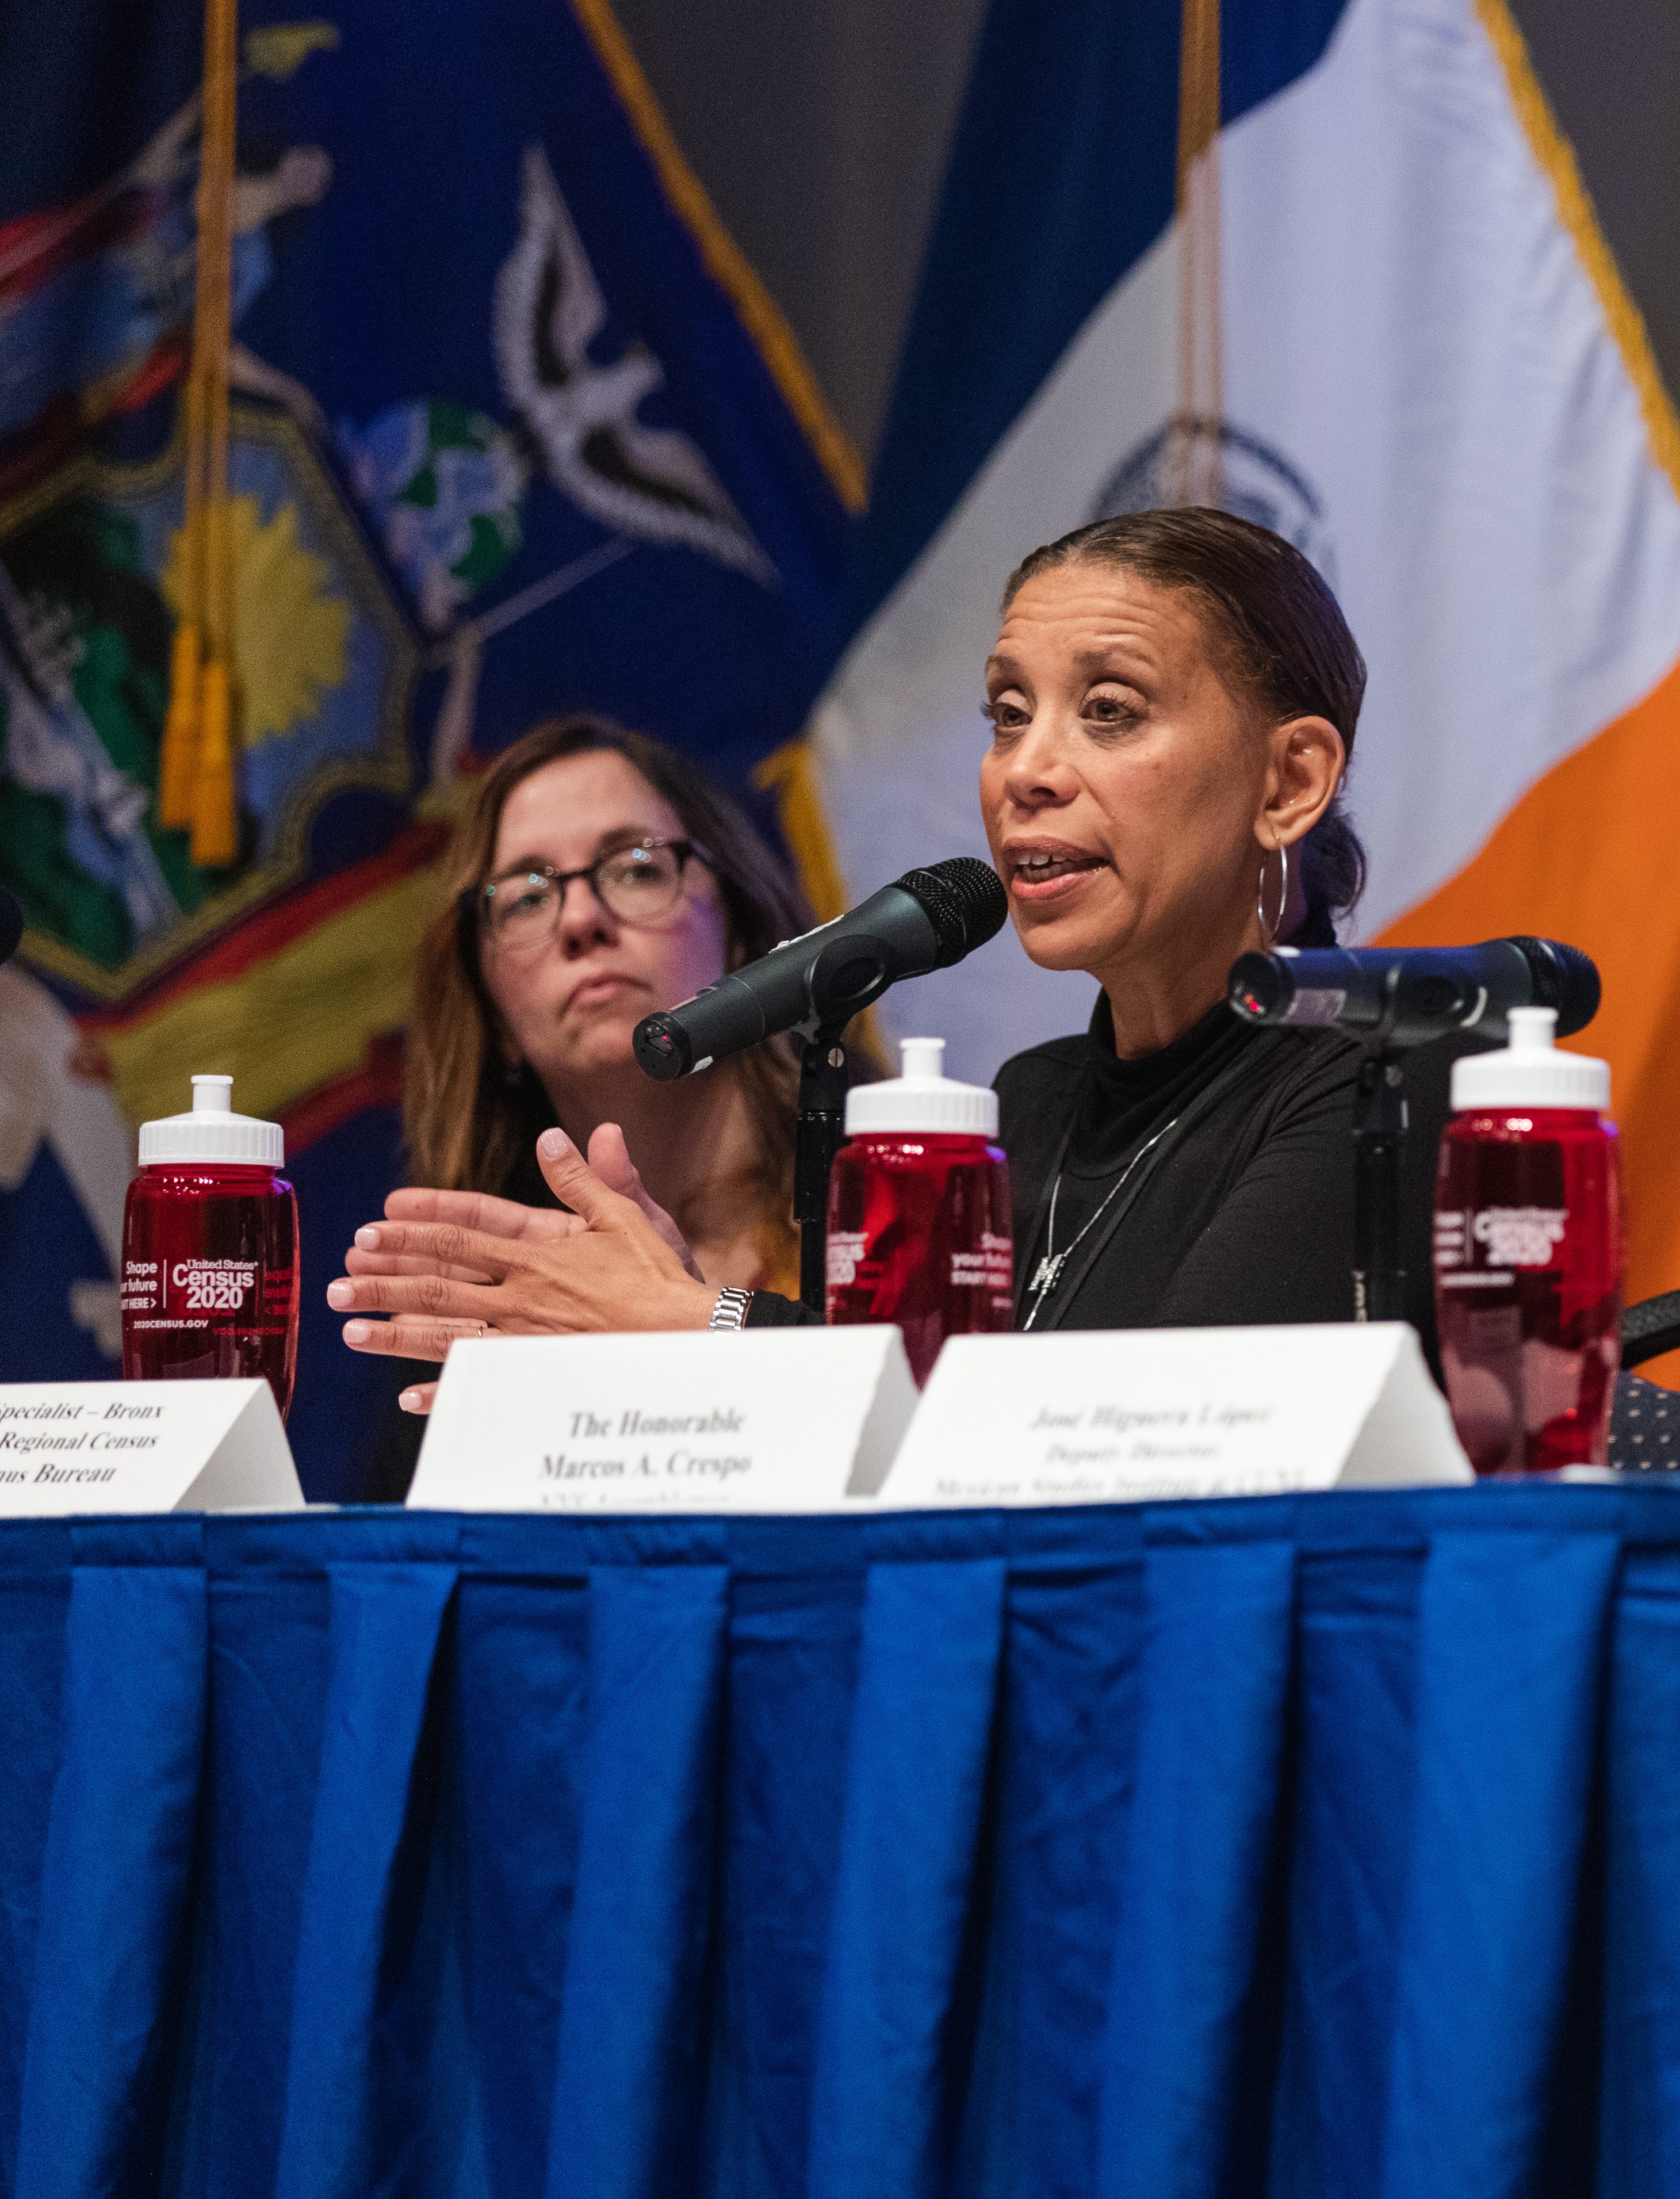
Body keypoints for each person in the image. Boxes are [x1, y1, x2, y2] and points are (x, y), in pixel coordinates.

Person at [330, 506, 1386, 1361]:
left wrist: (701, 1327)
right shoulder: (1028, 1106)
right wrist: (657, 1341)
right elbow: (918, 1467)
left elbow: (1149, 1445)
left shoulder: (1381, 1082)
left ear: (1289, 781)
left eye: (1108, 710)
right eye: (1009, 714)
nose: (1025, 771)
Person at [336, 713, 837, 1474]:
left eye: (636, 866)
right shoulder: (485, 1310)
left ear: (738, 930)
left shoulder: (905, 1181)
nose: (580, 919)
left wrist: (697, 1328)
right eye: (527, 899)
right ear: (492, 1009)